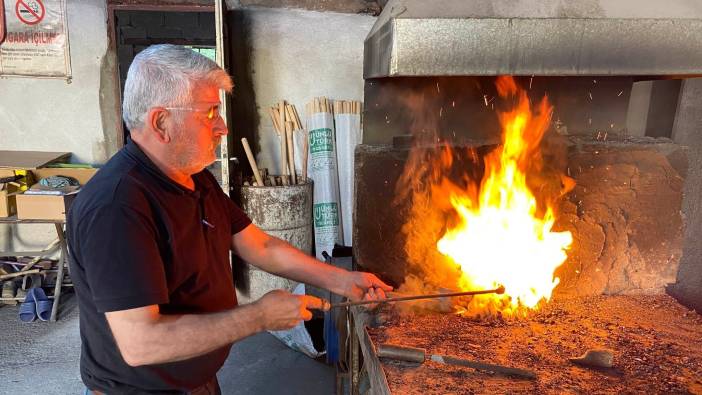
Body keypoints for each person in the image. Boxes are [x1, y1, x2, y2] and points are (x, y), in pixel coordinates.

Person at [67, 44, 391, 395]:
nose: (222, 127)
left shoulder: (193, 178)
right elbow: (141, 343)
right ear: (161, 122)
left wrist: (342, 281)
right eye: (209, 114)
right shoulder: (118, 208)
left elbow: (260, 245)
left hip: (198, 382)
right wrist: (259, 316)